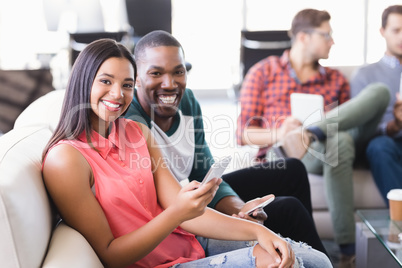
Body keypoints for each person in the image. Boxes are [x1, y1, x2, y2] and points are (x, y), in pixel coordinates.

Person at [41, 39, 331, 268]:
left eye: (126, 85)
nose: (118, 94)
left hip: (190, 243)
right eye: (105, 81)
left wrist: (258, 231)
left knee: (318, 261)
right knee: (283, 261)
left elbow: (187, 213)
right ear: (82, 81)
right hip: (158, 264)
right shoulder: (65, 160)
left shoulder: (134, 132)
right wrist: (177, 211)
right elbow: (111, 255)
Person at [124, 30, 329, 256]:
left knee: (292, 170)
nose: (169, 83)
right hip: (171, 215)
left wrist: (239, 208)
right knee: (289, 209)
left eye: (178, 72)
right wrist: (243, 224)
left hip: (190, 196)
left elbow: (204, 172)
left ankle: (300, 252)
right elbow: (170, 202)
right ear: (136, 78)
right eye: (156, 73)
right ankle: (306, 255)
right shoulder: (131, 120)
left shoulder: (187, 101)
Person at [236, 8, 390, 266]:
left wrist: (309, 131)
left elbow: (351, 124)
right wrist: (282, 132)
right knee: (338, 144)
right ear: (304, 37)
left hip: (326, 147)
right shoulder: (264, 72)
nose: (332, 41)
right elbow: (242, 133)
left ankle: (310, 131)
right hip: (285, 153)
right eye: (327, 34)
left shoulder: (336, 80)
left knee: (376, 96)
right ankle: (348, 251)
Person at [350, 5, 402, 205]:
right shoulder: (365, 75)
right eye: (396, 30)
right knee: (379, 147)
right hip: (385, 141)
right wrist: (394, 125)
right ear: (383, 32)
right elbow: (361, 127)